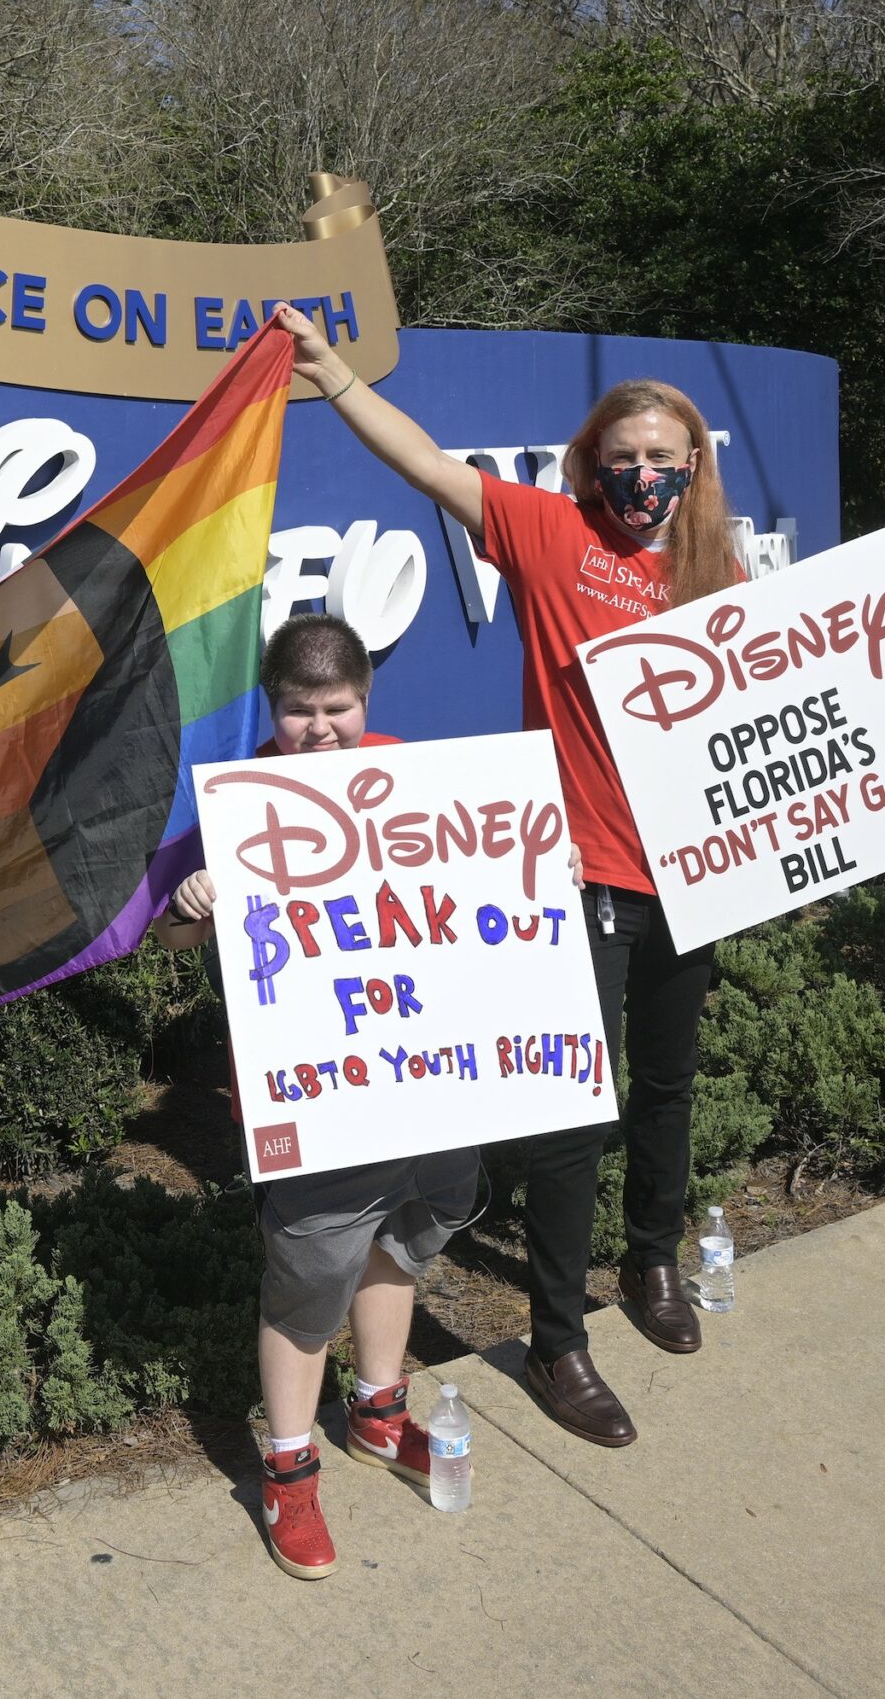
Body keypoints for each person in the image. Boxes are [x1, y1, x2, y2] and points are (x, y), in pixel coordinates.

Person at [272, 305, 885, 1448]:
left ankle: (649, 1262)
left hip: (696, 876)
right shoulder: (549, 534)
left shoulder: (717, 566)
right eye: (622, 457)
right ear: (591, 461)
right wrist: (336, 375)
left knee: (669, 1087)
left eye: (661, 460)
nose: (641, 475)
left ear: (694, 469)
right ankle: (557, 1337)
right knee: (566, 1116)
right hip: (579, 867)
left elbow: (813, 686)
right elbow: (425, 461)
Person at [156, 614, 579, 1578]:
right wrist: (191, 909)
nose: (319, 729)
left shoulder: (410, 778)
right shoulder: (240, 803)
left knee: (403, 1243)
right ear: (274, 709)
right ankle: (289, 1470)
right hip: (315, 1098)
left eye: (336, 709)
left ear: (366, 702)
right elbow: (173, 944)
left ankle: (380, 1411)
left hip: (429, 1091)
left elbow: (484, 894)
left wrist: (545, 877)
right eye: (299, 712)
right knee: (309, 1286)